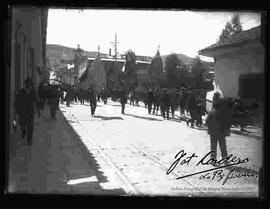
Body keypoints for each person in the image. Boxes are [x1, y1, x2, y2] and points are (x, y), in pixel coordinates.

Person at [205, 97, 232, 165]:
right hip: (221, 132)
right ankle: (225, 161)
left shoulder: (211, 111)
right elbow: (227, 122)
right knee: (223, 146)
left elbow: (206, 122)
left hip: (213, 132)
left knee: (213, 147)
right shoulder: (224, 112)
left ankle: (213, 161)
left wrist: (211, 126)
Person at [14, 78, 38, 145]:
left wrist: (38, 110)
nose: (29, 84)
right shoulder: (21, 92)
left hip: (30, 112)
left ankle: (29, 139)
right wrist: (17, 109)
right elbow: (17, 101)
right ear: (26, 84)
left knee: (30, 127)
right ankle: (24, 132)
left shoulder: (33, 92)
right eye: (27, 83)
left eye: (30, 83)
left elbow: (36, 101)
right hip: (23, 112)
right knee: (22, 125)